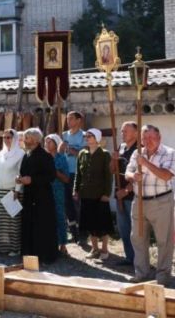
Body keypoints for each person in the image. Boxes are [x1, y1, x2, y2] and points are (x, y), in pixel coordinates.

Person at [125, 125, 175, 285]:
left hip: (161, 202)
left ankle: (163, 276)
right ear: (140, 139)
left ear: (159, 138)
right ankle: (142, 273)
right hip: (139, 201)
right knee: (138, 238)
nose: (148, 141)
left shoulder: (169, 153)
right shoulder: (136, 153)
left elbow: (166, 176)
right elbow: (127, 172)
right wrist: (134, 176)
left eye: (152, 138)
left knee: (164, 241)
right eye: (145, 138)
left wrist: (145, 163)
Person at [18, 128, 58, 263]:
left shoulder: (45, 156)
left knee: (42, 226)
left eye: (27, 138)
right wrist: (21, 179)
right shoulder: (26, 155)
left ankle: (44, 255)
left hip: (42, 197)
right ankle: (30, 254)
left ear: (35, 140)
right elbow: (24, 172)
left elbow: (51, 176)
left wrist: (32, 180)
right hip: (29, 196)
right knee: (29, 224)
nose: (24, 141)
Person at [74, 128, 113, 260]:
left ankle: (105, 249)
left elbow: (108, 176)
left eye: (90, 136)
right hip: (86, 194)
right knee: (89, 223)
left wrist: (107, 193)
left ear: (96, 138)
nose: (87, 138)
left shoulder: (104, 154)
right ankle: (94, 248)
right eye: (86, 136)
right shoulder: (82, 154)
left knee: (102, 223)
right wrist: (76, 190)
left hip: (100, 194)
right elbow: (78, 175)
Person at [0, 129, 25, 256]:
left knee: (12, 222)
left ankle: (14, 248)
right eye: (4, 137)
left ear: (14, 138)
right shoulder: (0, 154)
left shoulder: (20, 154)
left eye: (9, 137)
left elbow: (20, 173)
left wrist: (17, 190)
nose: (6, 140)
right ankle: (0, 246)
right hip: (0, 191)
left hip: (12, 192)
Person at [112, 122, 138, 266]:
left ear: (135, 133)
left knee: (136, 231)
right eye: (122, 131)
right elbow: (111, 170)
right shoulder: (120, 147)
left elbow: (140, 174)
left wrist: (127, 190)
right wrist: (113, 159)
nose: (123, 134)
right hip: (119, 194)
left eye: (126, 131)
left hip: (133, 195)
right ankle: (129, 258)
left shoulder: (140, 150)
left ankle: (139, 260)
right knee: (124, 229)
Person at [60, 111, 86, 241]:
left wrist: (72, 150)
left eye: (71, 119)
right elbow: (59, 152)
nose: (68, 121)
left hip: (78, 174)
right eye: (67, 119)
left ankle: (82, 233)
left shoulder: (84, 136)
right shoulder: (64, 135)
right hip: (65, 174)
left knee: (78, 203)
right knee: (67, 204)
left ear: (78, 120)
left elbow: (85, 153)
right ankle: (73, 231)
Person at [45, 133, 70, 255]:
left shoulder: (61, 158)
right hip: (45, 191)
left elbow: (66, 178)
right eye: (46, 142)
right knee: (47, 217)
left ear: (56, 143)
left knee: (59, 216)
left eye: (50, 142)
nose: (47, 144)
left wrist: (56, 173)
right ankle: (50, 243)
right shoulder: (44, 158)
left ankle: (63, 244)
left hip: (58, 191)